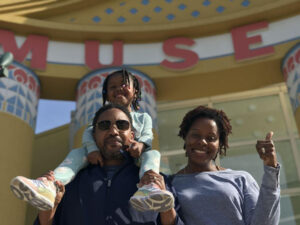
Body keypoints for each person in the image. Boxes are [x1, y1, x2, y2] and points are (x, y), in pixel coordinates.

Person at [10, 68, 173, 212]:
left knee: (152, 155)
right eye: (112, 87)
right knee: (76, 153)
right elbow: (88, 135)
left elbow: (147, 135)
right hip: (101, 156)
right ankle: (50, 184)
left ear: (135, 91)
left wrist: (142, 144)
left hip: (135, 157)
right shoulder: (100, 117)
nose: (118, 89)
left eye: (124, 84)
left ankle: (149, 186)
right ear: (106, 94)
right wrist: (92, 150)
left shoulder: (143, 117)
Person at [33, 104, 182, 225]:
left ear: (132, 135)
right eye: (104, 125)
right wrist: (49, 207)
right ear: (93, 136)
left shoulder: (157, 184)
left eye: (122, 124)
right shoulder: (68, 183)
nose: (113, 131)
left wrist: (167, 209)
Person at [158, 105, 281, 225]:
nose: (202, 141)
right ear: (185, 137)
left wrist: (271, 168)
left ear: (220, 144)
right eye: (195, 135)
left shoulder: (241, 179)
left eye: (211, 138)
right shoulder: (170, 185)